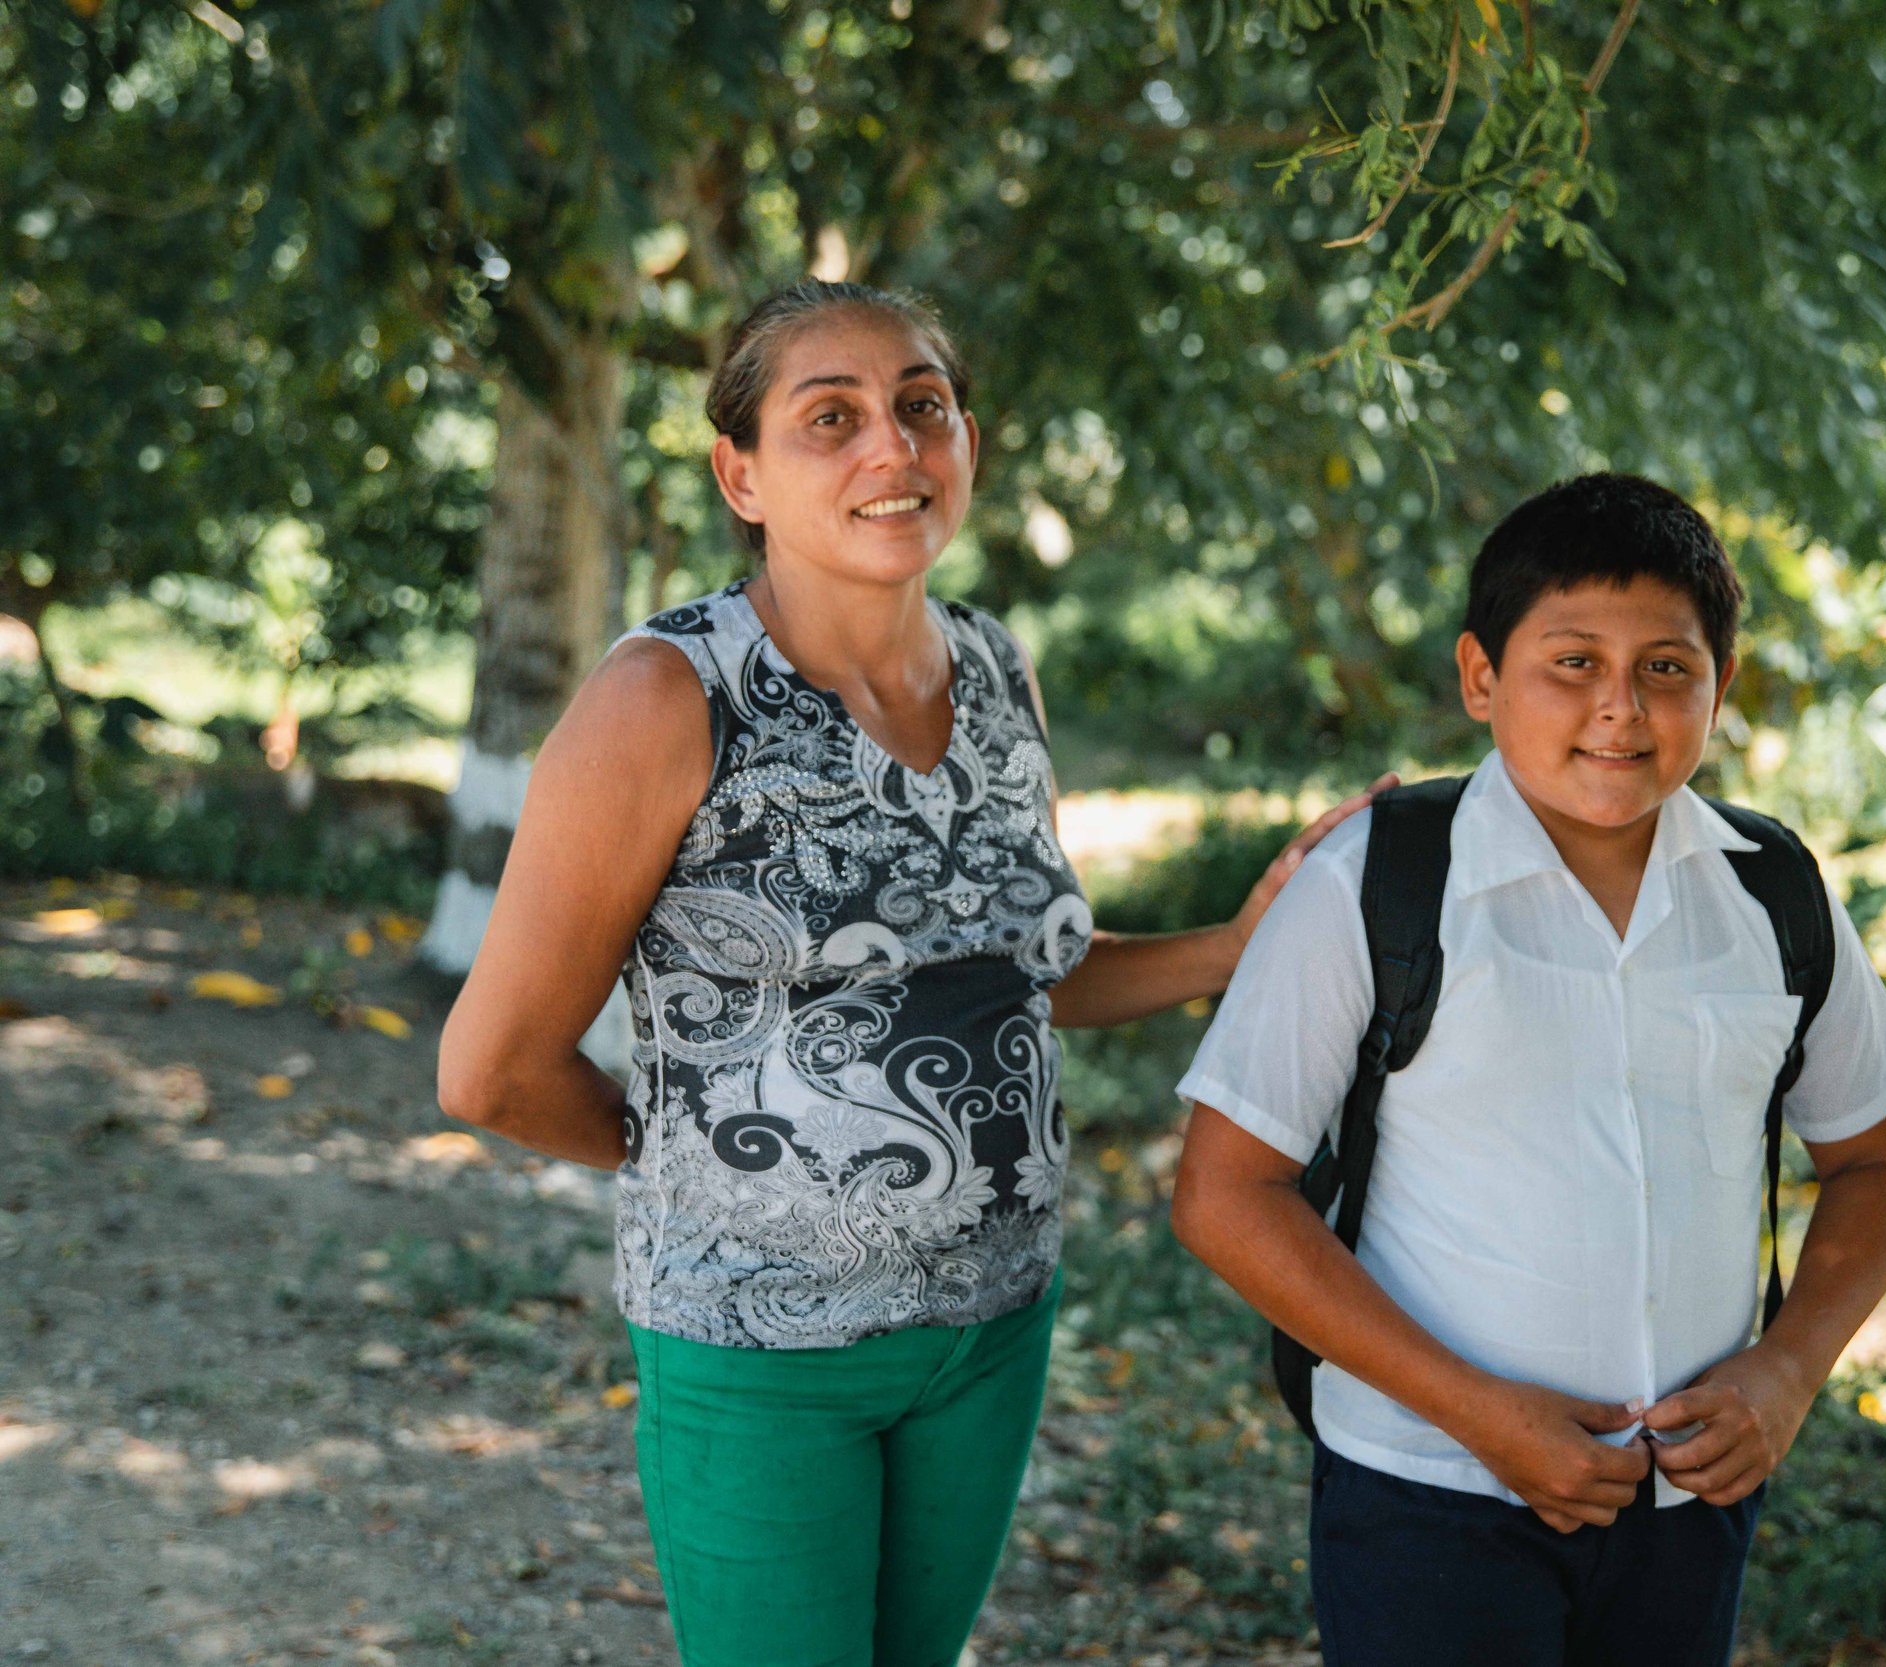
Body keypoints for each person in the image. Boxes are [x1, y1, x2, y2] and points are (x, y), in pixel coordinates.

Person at [435, 278, 1382, 1667]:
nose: (893, 445)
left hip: (991, 1327)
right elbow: (491, 1069)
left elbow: (1027, 972)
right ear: (741, 473)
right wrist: (696, 1163)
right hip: (763, 1355)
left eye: (921, 406)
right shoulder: (665, 698)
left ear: (969, 444)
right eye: (833, 417)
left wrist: (1240, 946)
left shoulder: (998, 668)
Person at [1168, 472, 1886, 1667]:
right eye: (1571, 661)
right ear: (1482, 676)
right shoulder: (1375, 885)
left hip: (1688, 1504)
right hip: (1429, 1490)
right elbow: (1222, 1192)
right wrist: (1479, 1413)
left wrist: (1787, 1370)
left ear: (1720, 688)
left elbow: (1879, 1157)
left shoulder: (1771, 893)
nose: (1620, 709)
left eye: (1667, 668)